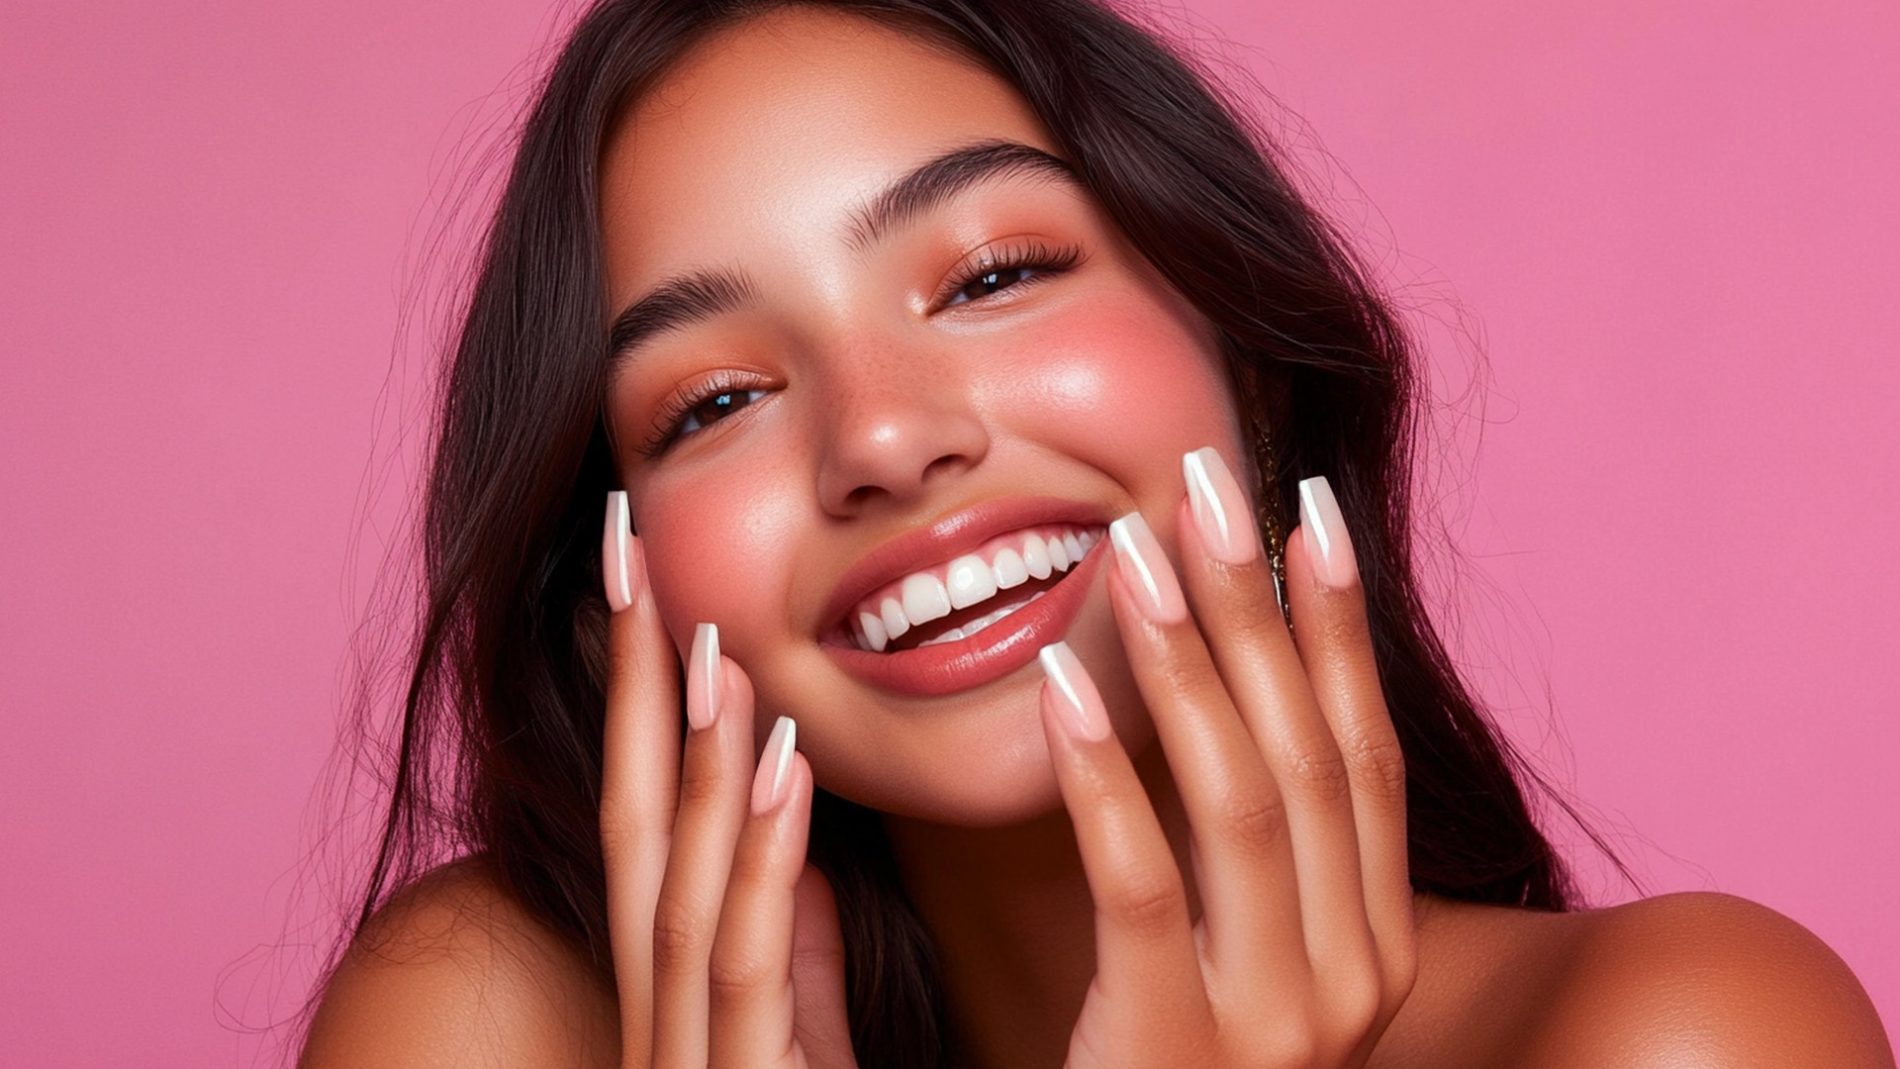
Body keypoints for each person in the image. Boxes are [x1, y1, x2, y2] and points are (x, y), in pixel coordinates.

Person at [296, 1, 1893, 1066]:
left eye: (993, 277)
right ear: (612, 593)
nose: (885, 437)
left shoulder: (1679, 1035)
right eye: (712, 401)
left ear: (1248, 370)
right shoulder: (487, 1020)